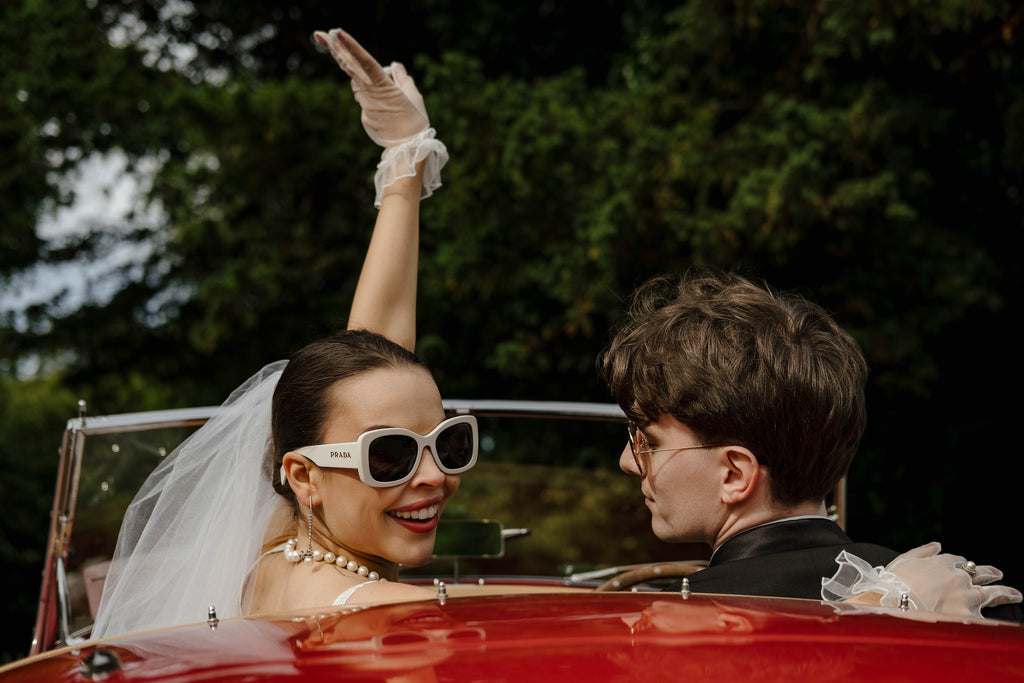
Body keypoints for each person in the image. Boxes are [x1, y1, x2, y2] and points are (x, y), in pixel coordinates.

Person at [92, 28, 462, 638]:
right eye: (389, 455)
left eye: (448, 443)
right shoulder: (382, 619)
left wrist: (405, 161)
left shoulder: (277, 543)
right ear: (303, 477)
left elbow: (362, 369)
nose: (432, 476)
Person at [600, 272, 1022, 619]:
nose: (628, 462)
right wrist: (888, 603)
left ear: (734, 474)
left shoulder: (668, 624)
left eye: (647, 441)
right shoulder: (970, 600)